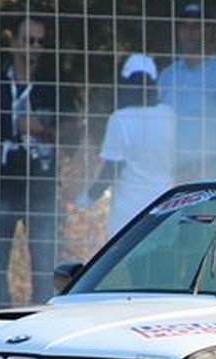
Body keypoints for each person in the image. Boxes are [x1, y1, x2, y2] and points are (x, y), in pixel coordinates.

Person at [0, 16, 61, 309]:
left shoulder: (53, 87)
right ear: (14, 43)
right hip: (0, 187)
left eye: (40, 42)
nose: (34, 48)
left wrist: (41, 130)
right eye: (28, 40)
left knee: (45, 271)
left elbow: (74, 136)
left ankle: (42, 330)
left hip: (41, 190)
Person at [76, 53, 177, 238]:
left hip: (127, 216)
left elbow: (111, 169)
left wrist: (88, 198)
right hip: (163, 208)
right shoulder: (169, 116)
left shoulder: (120, 119)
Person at [157, 2, 216, 182]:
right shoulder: (167, 75)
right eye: (184, 26)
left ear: (208, 31)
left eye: (196, 26)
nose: (190, 33)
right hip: (172, 170)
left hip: (210, 168)